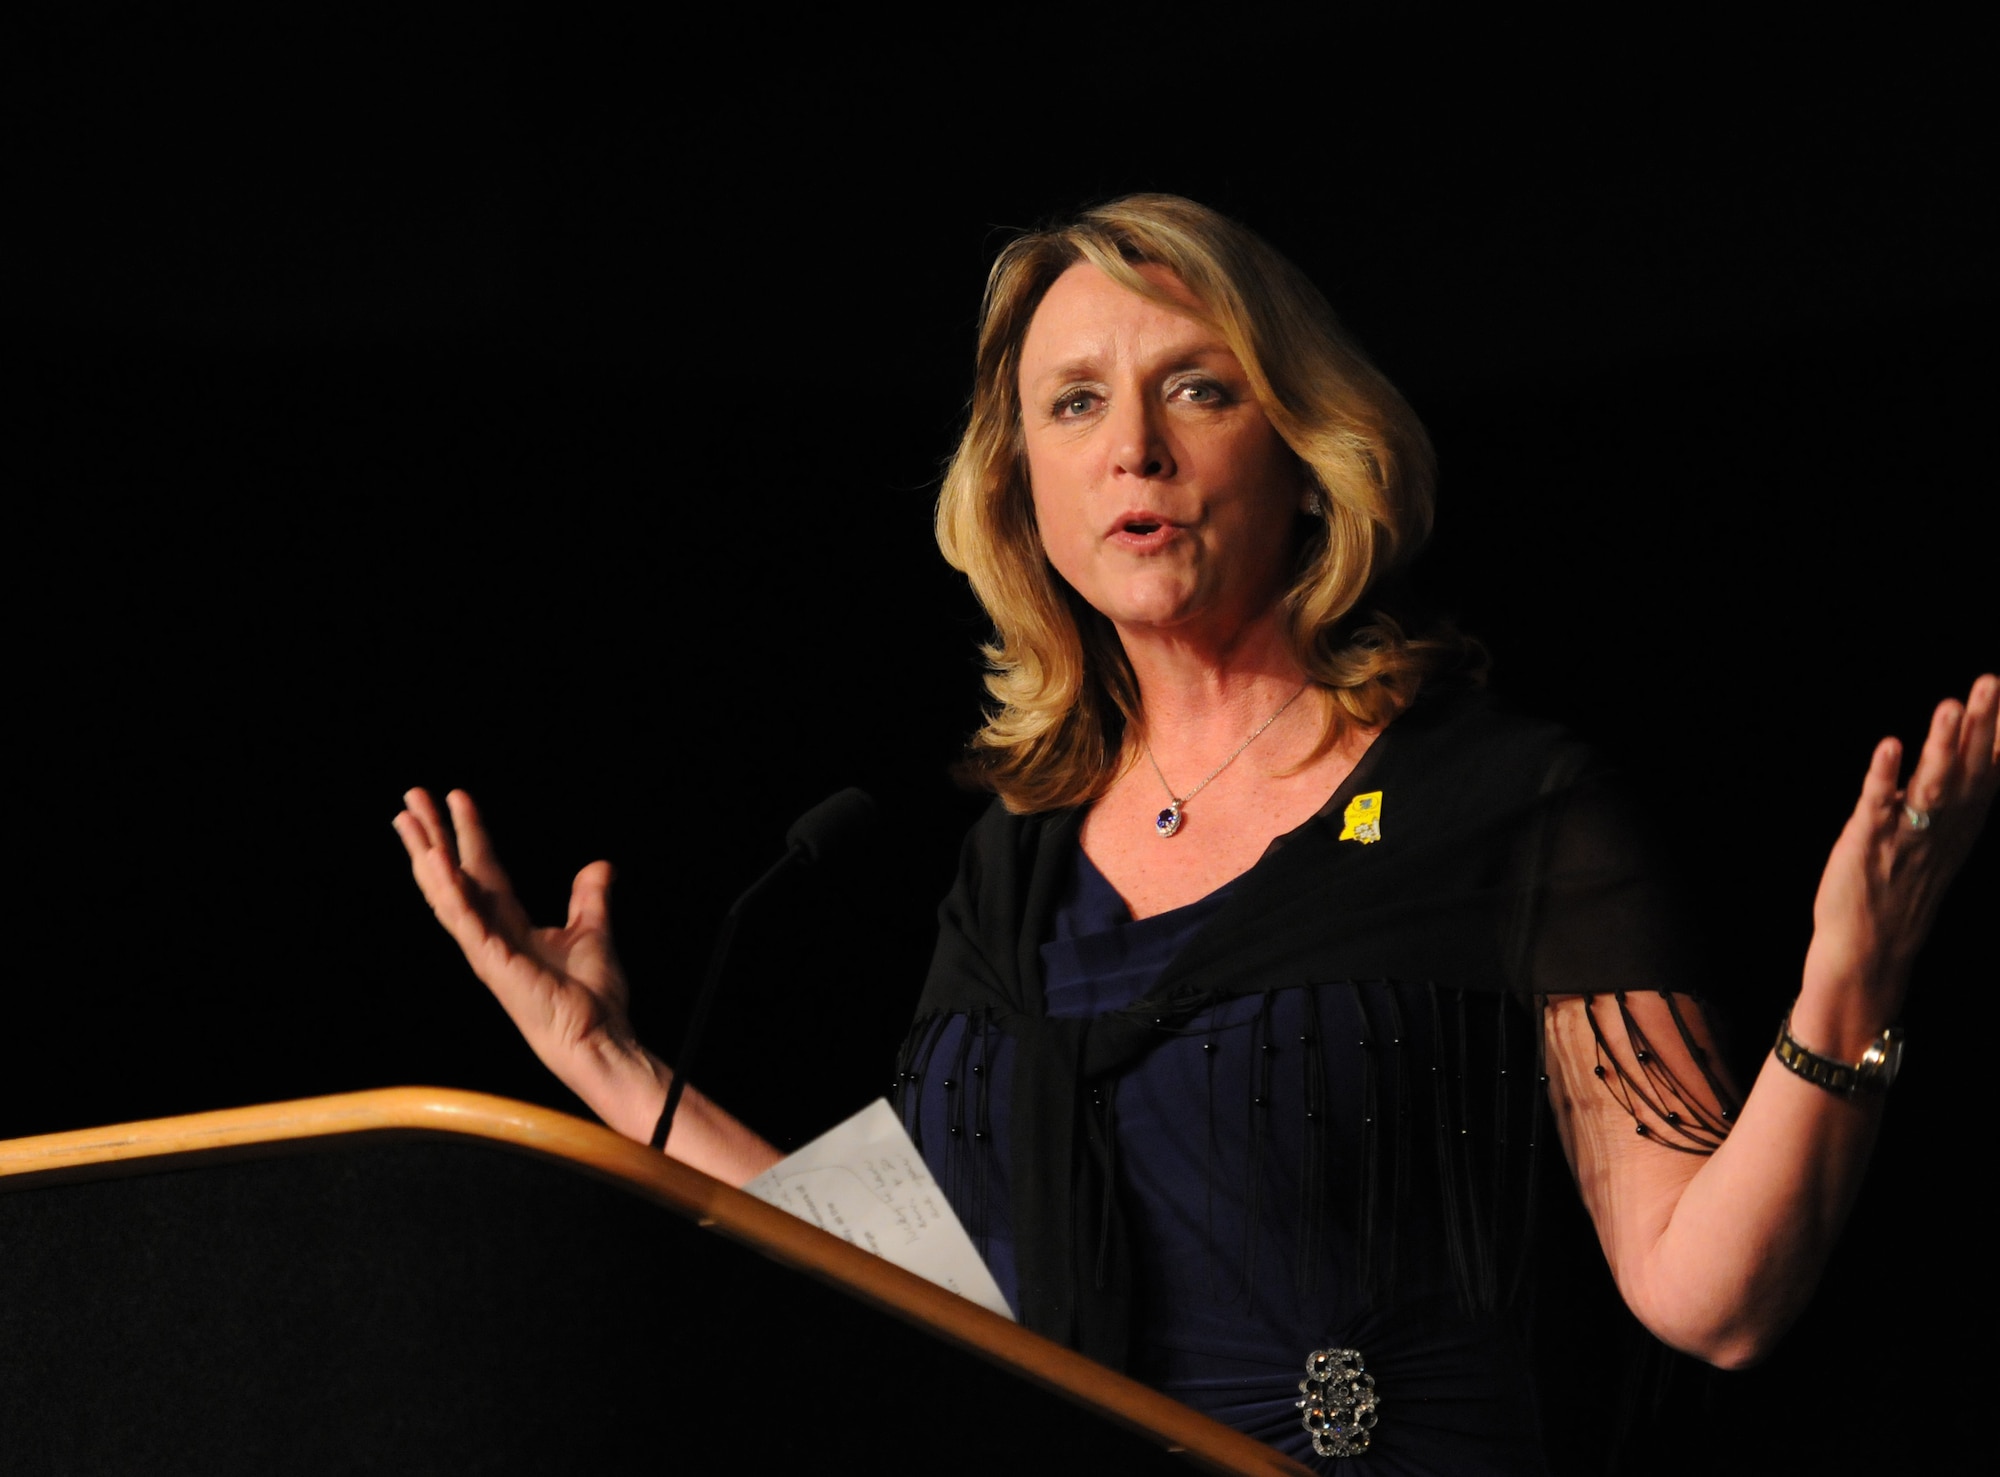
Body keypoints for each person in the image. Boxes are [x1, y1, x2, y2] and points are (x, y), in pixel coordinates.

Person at [394, 195, 1996, 1473]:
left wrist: (1848, 988)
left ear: (1305, 452)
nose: (1134, 449)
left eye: (1197, 387)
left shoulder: (1502, 807)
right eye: (1076, 404)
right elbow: (921, 1289)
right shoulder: (1014, 869)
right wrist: (608, 1061)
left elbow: (1709, 1299)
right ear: (1025, 492)